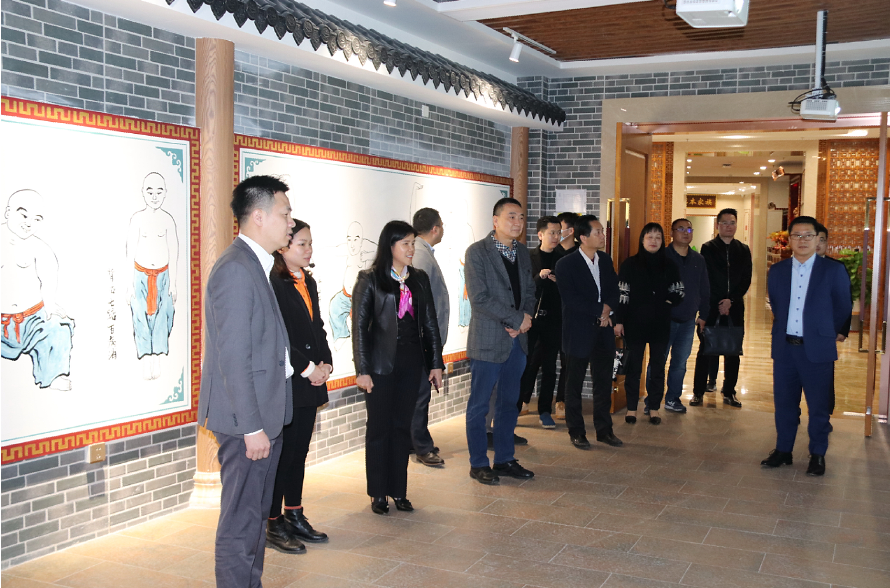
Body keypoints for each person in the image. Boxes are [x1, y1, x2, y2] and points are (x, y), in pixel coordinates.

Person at [196, 175, 295, 588]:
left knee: (254, 517)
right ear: (258, 216)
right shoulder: (236, 269)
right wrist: (252, 427)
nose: (291, 223)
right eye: (285, 214)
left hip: (262, 416)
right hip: (246, 424)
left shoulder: (255, 263)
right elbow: (232, 357)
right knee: (241, 521)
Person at [352, 221, 444, 514]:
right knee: (379, 428)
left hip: (411, 363)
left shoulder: (419, 279)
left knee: (402, 427)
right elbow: (359, 328)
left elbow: (430, 322)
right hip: (380, 366)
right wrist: (363, 369)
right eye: (405, 243)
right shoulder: (370, 279)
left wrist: (436, 364)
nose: (411, 249)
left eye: (413, 243)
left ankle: (399, 491)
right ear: (389, 246)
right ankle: (378, 493)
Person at [761, 216, 852, 476]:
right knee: (784, 403)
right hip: (785, 349)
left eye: (808, 235)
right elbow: (776, 305)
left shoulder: (833, 270)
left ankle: (818, 454)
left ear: (817, 239)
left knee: (818, 406)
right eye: (797, 235)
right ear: (789, 240)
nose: (802, 240)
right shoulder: (777, 271)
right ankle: (783, 450)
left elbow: (843, 306)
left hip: (818, 350)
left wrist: (823, 332)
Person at [266, 219, 333, 554]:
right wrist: (308, 368)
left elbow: (317, 327)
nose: (308, 250)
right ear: (283, 247)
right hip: (289, 379)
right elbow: (279, 336)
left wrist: (326, 363)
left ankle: (294, 513)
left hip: (311, 378)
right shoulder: (274, 283)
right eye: (301, 244)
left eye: (310, 243)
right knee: (284, 454)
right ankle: (273, 522)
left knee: (300, 452)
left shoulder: (309, 280)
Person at [464, 197, 536, 485]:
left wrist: (525, 319)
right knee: (480, 406)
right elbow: (480, 298)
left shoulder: (523, 252)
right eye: (511, 217)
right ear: (495, 221)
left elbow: (529, 292)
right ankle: (479, 463)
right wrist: (515, 320)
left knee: (509, 403)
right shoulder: (477, 252)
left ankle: (505, 459)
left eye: (521, 217)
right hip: (488, 340)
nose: (517, 222)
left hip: (517, 342)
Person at [555, 215, 622, 448]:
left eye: (602, 231)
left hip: (604, 330)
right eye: (598, 232)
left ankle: (604, 430)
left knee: (603, 383)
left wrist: (608, 311)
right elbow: (571, 299)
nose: (603, 236)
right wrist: (600, 311)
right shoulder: (566, 264)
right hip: (578, 331)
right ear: (583, 237)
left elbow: (614, 290)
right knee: (573, 384)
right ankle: (576, 431)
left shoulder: (605, 260)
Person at [2, 189, 74, 391]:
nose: (29, 223)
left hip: (32, 318)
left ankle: (52, 375)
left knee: (59, 328)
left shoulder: (40, 248)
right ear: (8, 213)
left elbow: (49, 279)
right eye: (23, 215)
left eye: (36, 219)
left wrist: (49, 305)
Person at [614, 223, 684, 425]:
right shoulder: (630, 264)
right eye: (649, 237)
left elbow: (679, 291)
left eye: (658, 237)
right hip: (634, 324)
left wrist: (666, 302)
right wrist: (619, 321)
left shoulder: (669, 265)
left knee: (658, 367)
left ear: (663, 241)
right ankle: (631, 408)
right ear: (642, 240)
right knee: (634, 367)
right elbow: (622, 295)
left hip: (660, 324)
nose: (654, 241)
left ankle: (654, 407)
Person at [690, 208, 752, 408]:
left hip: (735, 307)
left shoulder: (743, 250)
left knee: (733, 350)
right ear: (718, 225)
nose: (728, 226)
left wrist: (731, 300)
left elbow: (746, 279)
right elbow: (705, 278)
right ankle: (698, 392)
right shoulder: (708, 248)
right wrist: (719, 302)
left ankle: (729, 391)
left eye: (732, 222)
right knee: (706, 349)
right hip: (711, 305)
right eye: (724, 222)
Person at [126, 172, 178, 380]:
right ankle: (146, 361)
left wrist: (173, 283)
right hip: (140, 275)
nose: (154, 196)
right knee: (140, 317)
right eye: (150, 192)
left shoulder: (167, 220)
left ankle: (156, 360)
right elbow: (130, 252)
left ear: (165, 193)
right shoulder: (137, 219)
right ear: (143, 193)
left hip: (163, 276)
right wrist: (129, 284)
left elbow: (173, 251)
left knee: (162, 318)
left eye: (159, 191)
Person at [654, 218, 709, 414]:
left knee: (680, 363)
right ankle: (652, 401)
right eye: (681, 229)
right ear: (671, 233)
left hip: (687, 320)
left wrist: (703, 314)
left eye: (689, 229)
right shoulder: (661, 257)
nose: (686, 232)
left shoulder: (698, 259)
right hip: (664, 320)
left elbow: (704, 288)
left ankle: (673, 398)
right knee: (658, 361)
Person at [410, 208, 449, 467]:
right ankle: (421, 447)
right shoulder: (421, 255)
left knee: (419, 394)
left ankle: (415, 441)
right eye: (442, 225)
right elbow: (419, 301)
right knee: (420, 395)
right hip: (422, 339)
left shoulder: (423, 252)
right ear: (435, 228)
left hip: (426, 338)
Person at [518, 216, 564, 429]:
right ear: (540, 235)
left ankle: (545, 411)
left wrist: (559, 281)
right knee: (526, 365)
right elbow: (522, 287)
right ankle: (517, 406)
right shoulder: (528, 257)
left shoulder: (563, 259)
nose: (556, 237)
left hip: (554, 320)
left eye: (558, 233)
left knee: (550, 368)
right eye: (552, 232)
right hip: (531, 320)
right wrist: (539, 277)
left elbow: (570, 290)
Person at [815, 223, 852, 423]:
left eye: (822, 240)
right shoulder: (794, 267)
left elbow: (845, 300)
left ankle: (824, 416)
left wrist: (842, 329)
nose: (818, 244)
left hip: (825, 332)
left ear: (827, 243)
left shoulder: (836, 268)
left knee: (824, 376)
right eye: (815, 239)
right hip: (797, 334)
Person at [553, 210, 580, 419]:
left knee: (567, 361)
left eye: (559, 229)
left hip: (570, 315)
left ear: (570, 231)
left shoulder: (581, 254)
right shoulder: (551, 251)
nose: (556, 234)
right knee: (537, 359)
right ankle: (524, 399)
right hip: (549, 313)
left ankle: (561, 400)